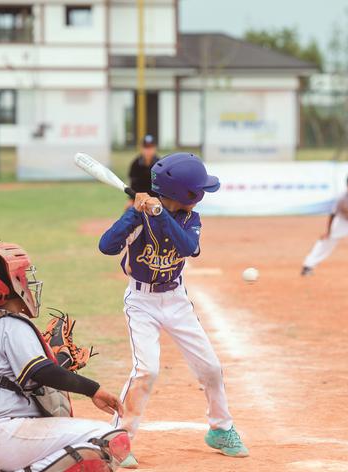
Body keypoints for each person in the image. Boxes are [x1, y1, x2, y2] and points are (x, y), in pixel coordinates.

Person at [99, 152, 249, 468]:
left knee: (210, 367)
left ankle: (220, 429)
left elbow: (188, 248)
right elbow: (106, 246)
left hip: (177, 301)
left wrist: (159, 214)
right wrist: (133, 213)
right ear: (186, 194)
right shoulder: (139, 217)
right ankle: (117, 440)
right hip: (142, 304)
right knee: (147, 370)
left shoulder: (189, 219)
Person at [0, 242, 131, 472]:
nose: (27, 281)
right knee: (109, 440)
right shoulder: (12, 325)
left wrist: (59, 364)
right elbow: (41, 372)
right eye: (22, 275)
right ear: (11, 283)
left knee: (64, 444)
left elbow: (25, 380)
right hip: (1, 438)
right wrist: (94, 389)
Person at [126, 134, 159, 206]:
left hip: (157, 200)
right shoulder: (135, 164)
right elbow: (133, 185)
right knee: (128, 208)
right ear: (141, 148)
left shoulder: (160, 164)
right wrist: (131, 199)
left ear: (155, 148)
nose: (148, 150)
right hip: (139, 200)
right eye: (146, 147)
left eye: (150, 147)